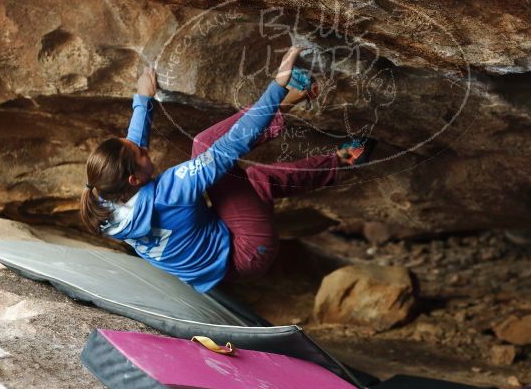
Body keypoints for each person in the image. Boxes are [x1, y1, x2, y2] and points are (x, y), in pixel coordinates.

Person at [79, 46, 374, 292]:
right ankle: (289, 97)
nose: (144, 147)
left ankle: (343, 158)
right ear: (133, 179)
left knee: (253, 181)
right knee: (205, 144)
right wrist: (276, 84)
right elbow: (231, 145)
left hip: (231, 266)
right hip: (245, 248)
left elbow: (130, 148)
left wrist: (143, 100)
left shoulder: (104, 201)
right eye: (142, 153)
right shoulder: (171, 190)